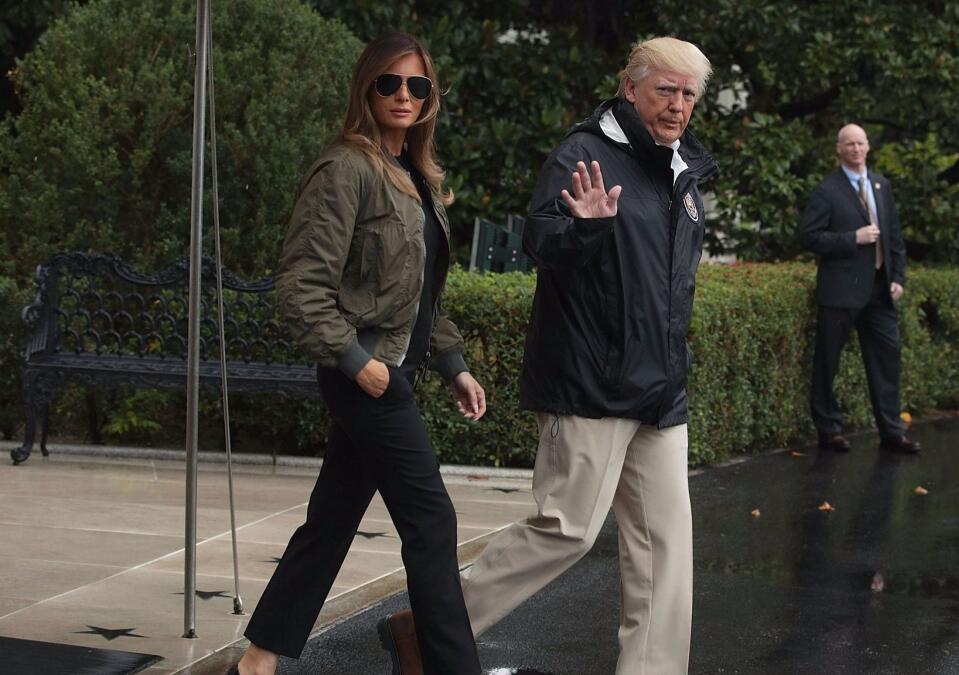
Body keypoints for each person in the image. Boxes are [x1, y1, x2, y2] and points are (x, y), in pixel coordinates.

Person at [385, 36, 715, 675]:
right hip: (588, 381)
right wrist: (587, 228)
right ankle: (429, 629)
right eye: (665, 90)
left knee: (667, 546)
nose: (678, 106)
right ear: (631, 88)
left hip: (658, 388)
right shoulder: (584, 153)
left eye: (688, 94)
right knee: (567, 531)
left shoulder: (682, 169)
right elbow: (544, 245)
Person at [231, 32, 485, 675]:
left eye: (417, 86)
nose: (404, 95)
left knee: (332, 520)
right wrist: (358, 364)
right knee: (431, 522)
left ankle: (257, 658)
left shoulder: (417, 177)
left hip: (390, 368)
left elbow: (420, 295)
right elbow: (300, 286)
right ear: (365, 89)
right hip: (367, 376)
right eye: (389, 83)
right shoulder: (345, 168)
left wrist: (453, 363)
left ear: (432, 98)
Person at [798, 123, 920, 454]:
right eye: (849, 144)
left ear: (868, 147)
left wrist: (898, 278)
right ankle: (829, 429)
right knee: (828, 364)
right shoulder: (827, 190)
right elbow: (809, 236)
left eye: (860, 143)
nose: (855, 148)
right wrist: (853, 238)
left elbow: (894, 237)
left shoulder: (882, 185)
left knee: (887, 362)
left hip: (880, 291)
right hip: (840, 293)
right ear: (839, 149)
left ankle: (892, 432)